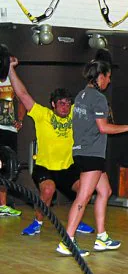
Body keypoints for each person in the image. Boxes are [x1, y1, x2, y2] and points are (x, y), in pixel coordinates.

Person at [56, 59, 128, 257]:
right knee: (83, 197)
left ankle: (101, 237)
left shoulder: (81, 95)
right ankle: (67, 241)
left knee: (105, 190)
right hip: (91, 154)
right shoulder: (98, 98)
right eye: (108, 77)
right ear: (100, 76)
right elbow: (103, 128)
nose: (109, 81)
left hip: (82, 151)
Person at [7, 59, 95, 235]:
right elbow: (23, 94)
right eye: (61, 103)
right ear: (53, 104)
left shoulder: (74, 115)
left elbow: (90, 89)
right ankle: (37, 223)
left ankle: (75, 222)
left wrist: (96, 66)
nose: (66, 106)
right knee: (48, 190)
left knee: (85, 190)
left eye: (68, 103)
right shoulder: (42, 115)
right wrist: (10, 69)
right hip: (44, 166)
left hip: (67, 168)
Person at [0, 71, 25, 216]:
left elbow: (22, 100)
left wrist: (20, 120)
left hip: (9, 129)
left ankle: (2, 205)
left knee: (6, 167)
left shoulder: (12, 80)